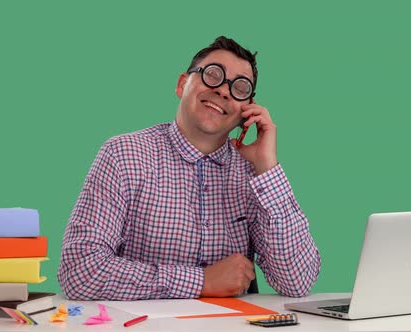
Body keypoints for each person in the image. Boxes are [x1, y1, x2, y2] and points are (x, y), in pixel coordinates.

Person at [58, 36, 321, 301]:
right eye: (213, 74)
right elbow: (80, 271)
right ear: (182, 84)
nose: (223, 91)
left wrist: (267, 166)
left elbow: (297, 282)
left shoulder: (252, 174)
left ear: (247, 110)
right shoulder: (123, 154)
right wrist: (201, 282)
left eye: (240, 87)